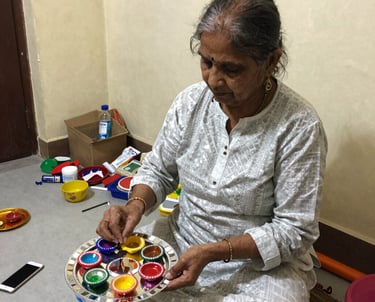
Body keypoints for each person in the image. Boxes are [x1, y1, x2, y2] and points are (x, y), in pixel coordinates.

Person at [97, 0, 327, 301]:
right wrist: (135, 205)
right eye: (206, 62)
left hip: (259, 266)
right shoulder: (190, 103)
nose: (213, 80)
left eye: (231, 69)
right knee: (118, 287)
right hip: (183, 239)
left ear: (271, 61)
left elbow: (294, 231)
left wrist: (217, 251)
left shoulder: (299, 126)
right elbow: (159, 169)